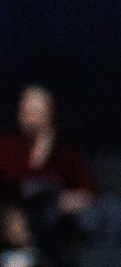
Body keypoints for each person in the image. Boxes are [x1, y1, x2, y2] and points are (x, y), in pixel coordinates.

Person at [0, 85, 97, 241]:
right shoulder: (6, 146)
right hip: (8, 230)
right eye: (26, 111)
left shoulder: (65, 153)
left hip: (52, 233)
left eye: (37, 111)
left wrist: (69, 201)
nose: (29, 117)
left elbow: (90, 193)